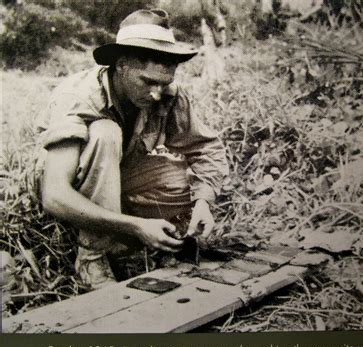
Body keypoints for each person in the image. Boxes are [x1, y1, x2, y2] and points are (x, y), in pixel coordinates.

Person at [37, 9, 229, 289]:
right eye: (148, 82)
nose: (156, 93)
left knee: (173, 175)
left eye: (164, 83)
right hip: (62, 180)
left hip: (117, 173)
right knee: (105, 133)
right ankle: (93, 256)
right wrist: (133, 226)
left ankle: (147, 244)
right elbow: (53, 194)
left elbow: (206, 148)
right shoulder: (78, 97)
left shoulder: (167, 94)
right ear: (122, 64)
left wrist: (203, 203)